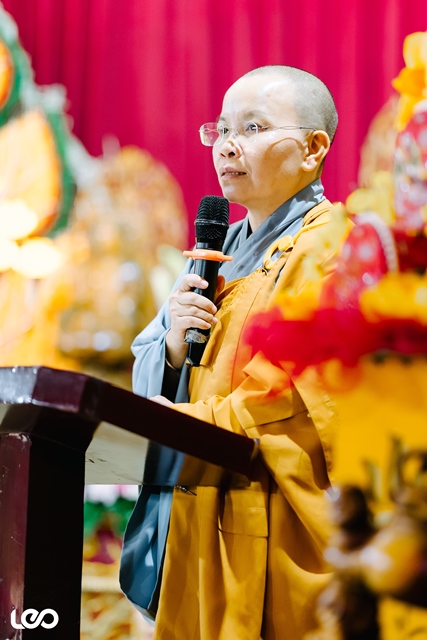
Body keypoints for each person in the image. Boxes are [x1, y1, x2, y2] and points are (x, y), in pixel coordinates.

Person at [125, 65, 346, 639]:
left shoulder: (334, 248)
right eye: (221, 129)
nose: (227, 145)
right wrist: (173, 346)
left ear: (313, 148)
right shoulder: (213, 252)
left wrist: (183, 428)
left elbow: (299, 397)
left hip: (276, 523)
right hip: (200, 512)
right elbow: (148, 367)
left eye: (252, 128)